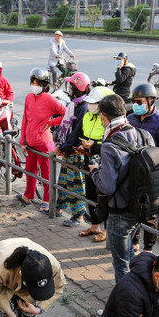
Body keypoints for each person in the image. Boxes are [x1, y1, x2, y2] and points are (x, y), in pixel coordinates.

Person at [89, 94, 155, 282]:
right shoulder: (143, 134)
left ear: (103, 116)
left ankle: (125, 304)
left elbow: (107, 186)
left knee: (121, 264)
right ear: (124, 112)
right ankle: (138, 291)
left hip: (120, 212)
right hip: (141, 207)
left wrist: (94, 172)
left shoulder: (109, 145)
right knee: (129, 258)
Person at [127, 82, 159, 251]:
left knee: (150, 215)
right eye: (134, 101)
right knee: (133, 210)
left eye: (140, 102)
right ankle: (134, 243)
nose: (136, 105)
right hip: (134, 174)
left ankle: (148, 249)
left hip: (152, 177)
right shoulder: (131, 119)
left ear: (151, 101)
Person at [19, 67, 65, 211]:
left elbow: (66, 113)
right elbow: (25, 120)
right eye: (33, 82)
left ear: (44, 85)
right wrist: (22, 140)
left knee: (46, 175)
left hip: (44, 144)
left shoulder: (49, 99)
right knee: (29, 170)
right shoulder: (29, 97)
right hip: (30, 143)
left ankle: (47, 200)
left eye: (38, 83)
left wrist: (51, 123)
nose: (35, 86)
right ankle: (28, 195)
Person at [55, 72, 92, 225]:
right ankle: (58, 208)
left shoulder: (83, 108)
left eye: (71, 86)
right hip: (68, 151)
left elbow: (76, 133)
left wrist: (62, 147)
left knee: (76, 186)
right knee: (63, 182)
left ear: (77, 88)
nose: (69, 89)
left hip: (76, 152)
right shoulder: (75, 105)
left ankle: (78, 216)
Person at [79, 86, 114, 242]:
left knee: (104, 196)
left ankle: (107, 229)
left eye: (95, 103)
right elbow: (81, 134)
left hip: (104, 161)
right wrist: (82, 145)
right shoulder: (87, 116)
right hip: (89, 159)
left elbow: (111, 145)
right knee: (90, 193)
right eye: (90, 103)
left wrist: (93, 145)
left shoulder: (108, 119)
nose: (91, 106)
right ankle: (94, 225)